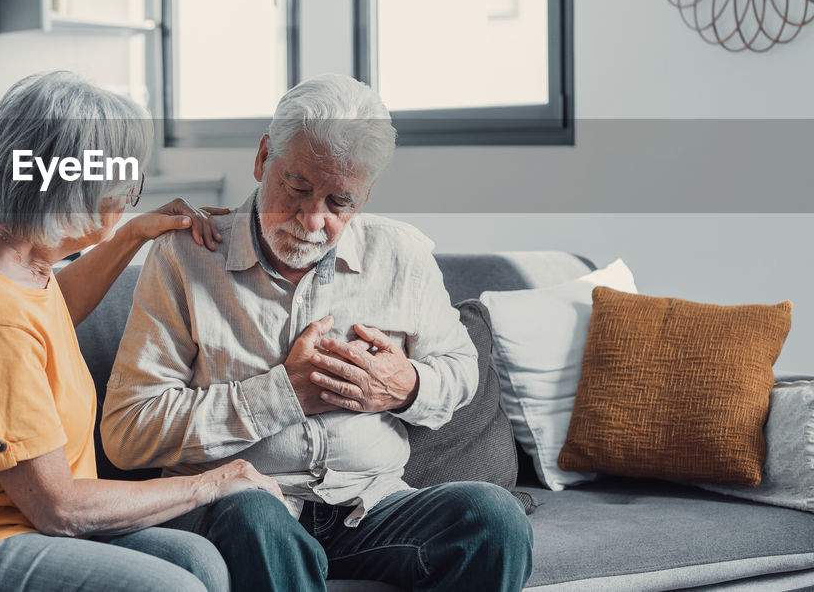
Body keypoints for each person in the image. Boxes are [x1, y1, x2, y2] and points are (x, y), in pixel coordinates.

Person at [0, 71, 281, 592]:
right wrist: (213, 483)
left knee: (198, 562)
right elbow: (61, 509)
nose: (134, 192)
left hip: (8, 519)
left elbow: (45, 319)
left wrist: (132, 232)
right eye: (127, 183)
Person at [101, 73, 534, 592]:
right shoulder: (185, 258)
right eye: (298, 189)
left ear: (366, 194)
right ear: (263, 158)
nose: (311, 221)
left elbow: (461, 370)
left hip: (370, 505)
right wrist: (282, 394)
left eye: (339, 203)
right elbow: (127, 433)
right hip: (246, 510)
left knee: (493, 516)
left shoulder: (403, 254)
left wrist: (407, 386)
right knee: (255, 516)